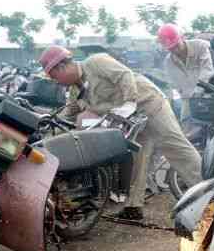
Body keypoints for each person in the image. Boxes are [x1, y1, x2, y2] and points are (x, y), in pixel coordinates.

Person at [38, 46, 202, 220]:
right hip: (131, 121)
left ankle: (210, 194)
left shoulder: (95, 62)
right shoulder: (75, 91)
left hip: (149, 105)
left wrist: (130, 101)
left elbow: (125, 75)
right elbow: (71, 109)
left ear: (61, 66)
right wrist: (48, 120)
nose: (56, 82)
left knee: (175, 148)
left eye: (54, 76)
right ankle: (133, 206)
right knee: (137, 160)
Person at [158, 24, 214, 127]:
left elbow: (207, 70)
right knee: (186, 125)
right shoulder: (168, 62)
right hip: (189, 99)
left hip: (212, 92)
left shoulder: (200, 47)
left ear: (183, 38)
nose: (175, 51)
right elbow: (176, 86)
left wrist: (198, 90)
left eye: (176, 46)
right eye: (171, 49)